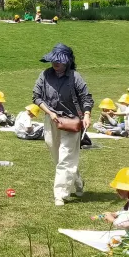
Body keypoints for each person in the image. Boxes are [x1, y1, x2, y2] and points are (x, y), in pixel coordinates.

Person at [33, 43, 94, 206]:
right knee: (58, 157)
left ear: (67, 61)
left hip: (71, 121)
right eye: (54, 60)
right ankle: (78, 181)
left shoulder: (75, 77)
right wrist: (50, 113)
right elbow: (36, 97)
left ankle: (60, 194)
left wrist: (87, 115)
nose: (55, 63)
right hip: (52, 120)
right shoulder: (45, 75)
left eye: (59, 60)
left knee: (66, 157)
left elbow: (86, 98)